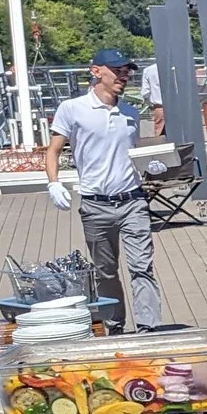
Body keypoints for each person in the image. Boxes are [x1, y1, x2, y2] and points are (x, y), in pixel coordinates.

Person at [43, 49, 160, 333]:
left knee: (142, 266)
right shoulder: (72, 109)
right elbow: (54, 150)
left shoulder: (130, 113)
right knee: (106, 272)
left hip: (132, 200)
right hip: (96, 204)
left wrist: (152, 164)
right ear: (97, 71)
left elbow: (133, 153)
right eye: (117, 70)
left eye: (127, 71)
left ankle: (149, 328)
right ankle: (115, 326)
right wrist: (53, 182)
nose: (124, 76)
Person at [139, 56, 164, 137]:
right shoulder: (175, 68)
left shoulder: (148, 70)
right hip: (177, 107)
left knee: (159, 135)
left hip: (159, 107)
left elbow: (145, 92)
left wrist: (150, 103)